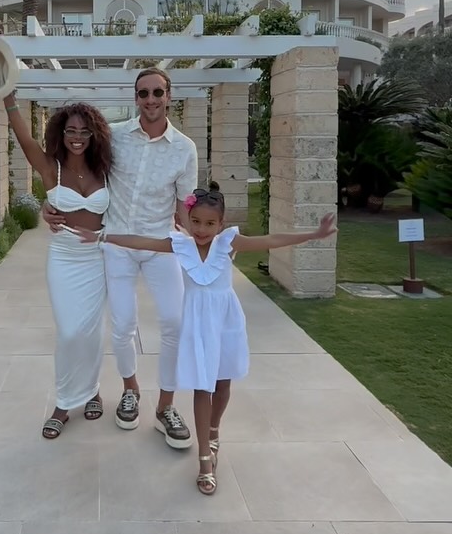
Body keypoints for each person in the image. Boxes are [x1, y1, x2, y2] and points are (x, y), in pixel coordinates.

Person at [74, 186, 337, 494]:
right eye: (196, 221)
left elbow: (270, 240)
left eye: (210, 223)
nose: (201, 229)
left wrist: (313, 235)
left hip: (226, 322)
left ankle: (214, 431)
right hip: (198, 325)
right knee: (203, 386)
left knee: (222, 384)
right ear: (188, 219)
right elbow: (142, 241)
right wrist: (103, 237)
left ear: (221, 224)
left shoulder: (229, 243)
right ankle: (204, 461)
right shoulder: (181, 245)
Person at [43, 70, 199, 449]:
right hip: (116, 244)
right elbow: (73, 165)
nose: (151, 99)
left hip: (160, 244)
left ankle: (166, 407)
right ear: (136, 97)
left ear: (169, 95)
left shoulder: (185, 149)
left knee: (175, 322)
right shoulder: (112, 137)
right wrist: (49, 205)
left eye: (157, 92)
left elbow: (185, 208)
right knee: (123, 324)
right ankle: (131, 390)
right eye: (143, 93)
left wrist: (199, 245)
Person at [4, 92, 113, 439]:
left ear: (94, 134)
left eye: (84, 131)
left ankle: (92, 390)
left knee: (91, 332)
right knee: (68, 332)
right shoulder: (52, 167)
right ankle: (64, 403)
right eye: (70, 131)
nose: (77, 137)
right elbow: (24, 139)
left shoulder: (106, 169)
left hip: (97, 259)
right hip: (64, 257)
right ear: (60, 133)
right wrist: (8, 100)